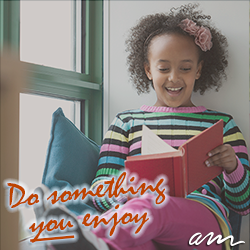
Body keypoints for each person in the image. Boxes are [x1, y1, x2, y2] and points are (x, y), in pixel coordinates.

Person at [36, 3, 249, 250]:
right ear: (148, 70)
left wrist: (232, 167)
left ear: (199, 70)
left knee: (154, 205)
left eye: (186, 68)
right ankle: (90, 242)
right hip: (138, 222)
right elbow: (97, 196)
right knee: (141, 230)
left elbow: (243, 205)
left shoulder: (222, 125)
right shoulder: (126, 122)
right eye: (163, 68)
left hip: (202, 226)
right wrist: (125, 187)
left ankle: (78, 234)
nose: (174, 78)